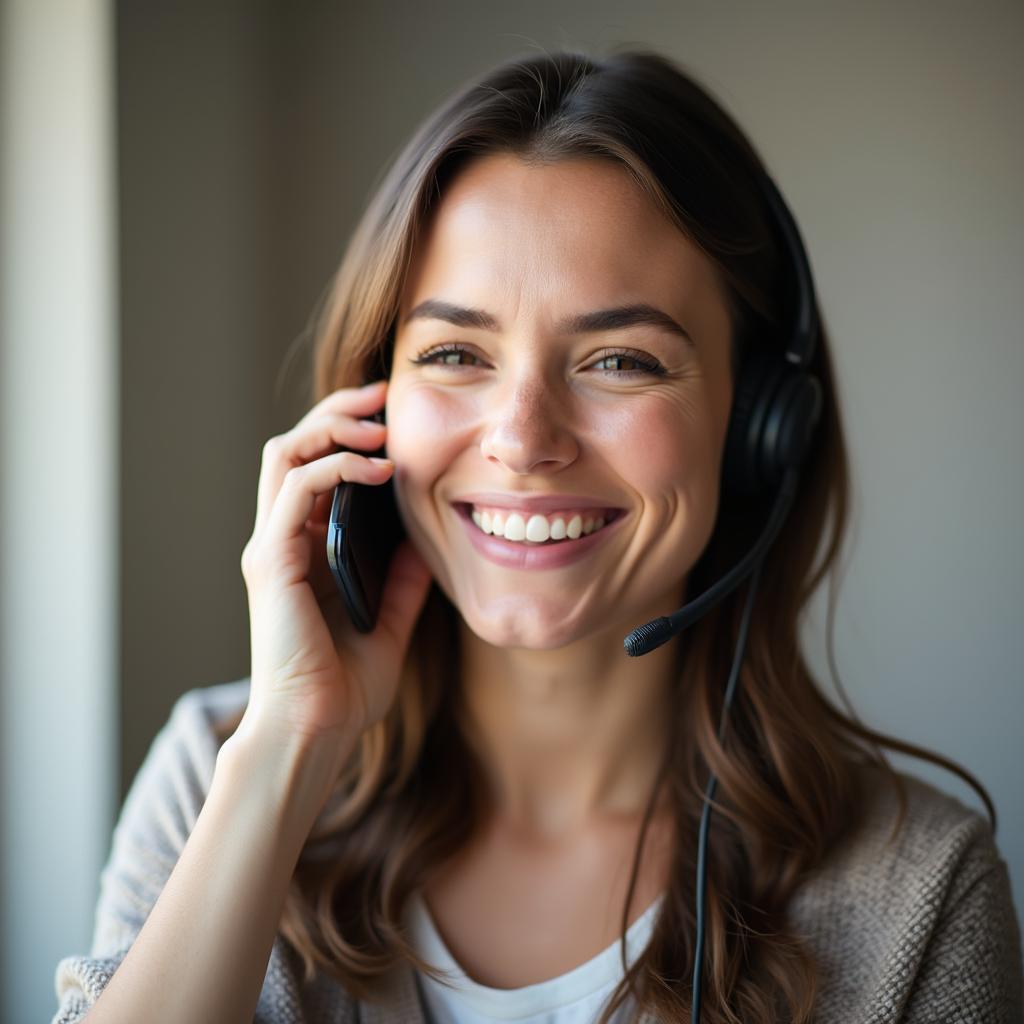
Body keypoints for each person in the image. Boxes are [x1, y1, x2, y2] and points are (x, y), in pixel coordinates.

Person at [53, 48, 1022, 1024]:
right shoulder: (215, 775)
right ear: (368, 411)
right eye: (455, 353)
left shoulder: (921, 892)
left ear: (762, 427)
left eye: (617, 359)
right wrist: (284, 758)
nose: (521, 438)